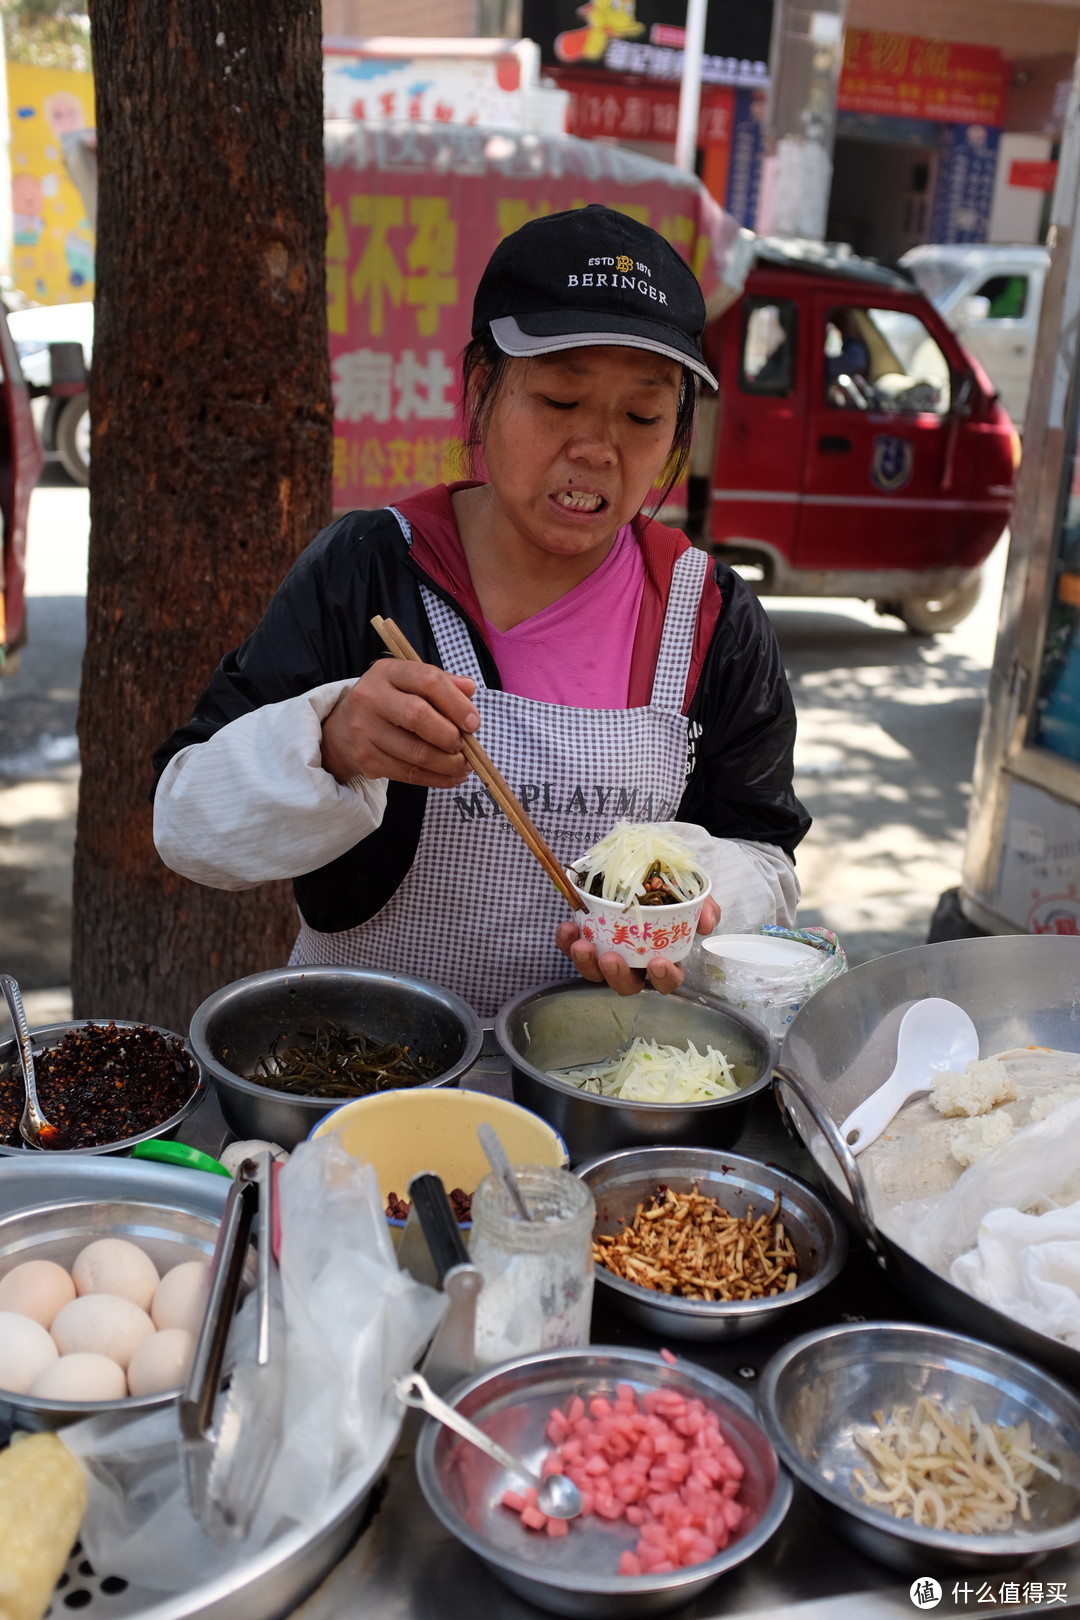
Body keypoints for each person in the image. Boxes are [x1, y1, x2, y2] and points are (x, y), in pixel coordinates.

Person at [153, 205, 810, 1020]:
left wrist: (692, 903)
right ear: (480, 389)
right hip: (362, 1061)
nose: (599, 448)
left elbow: (767, 859)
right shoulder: (372, 568)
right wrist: (331, 743)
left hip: (599, 1077)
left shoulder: (707, 615)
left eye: (643, 417)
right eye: (560, 399)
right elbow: (184, 824)